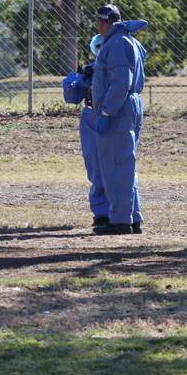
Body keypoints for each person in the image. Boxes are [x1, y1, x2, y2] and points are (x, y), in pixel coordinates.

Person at [91, 4, 148, 235]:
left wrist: (106, 112)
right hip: (130, 107)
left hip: (118, 110)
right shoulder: (129, 41)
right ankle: (132, 216)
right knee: (125, 164)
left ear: (104, 23)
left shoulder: (116, 43)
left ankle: (120, 220)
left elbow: (120, 82)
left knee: (115, 165)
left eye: (99, 22)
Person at [61, 34, 110, 230]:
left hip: (116, 118)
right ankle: (102, 214)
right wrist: (78, 77)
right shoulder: (90, 70)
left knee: (118, 166)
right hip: (92, 117)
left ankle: (123, 212)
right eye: (99, 47)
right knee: (96, 165)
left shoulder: (124, 66)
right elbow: (72, 96)